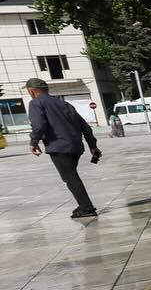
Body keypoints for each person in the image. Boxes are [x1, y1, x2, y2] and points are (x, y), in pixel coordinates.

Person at [26, 78, 101, 218]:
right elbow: (84, 125)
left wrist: (34, 142)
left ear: (31, 91)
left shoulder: (36, 103)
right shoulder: (64, 103)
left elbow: (38, 124)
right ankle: (83, 206)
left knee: (70, 177)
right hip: (76, 147)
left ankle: (87, 208)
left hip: (59, 147)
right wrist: (92, 145)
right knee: (72, 175)